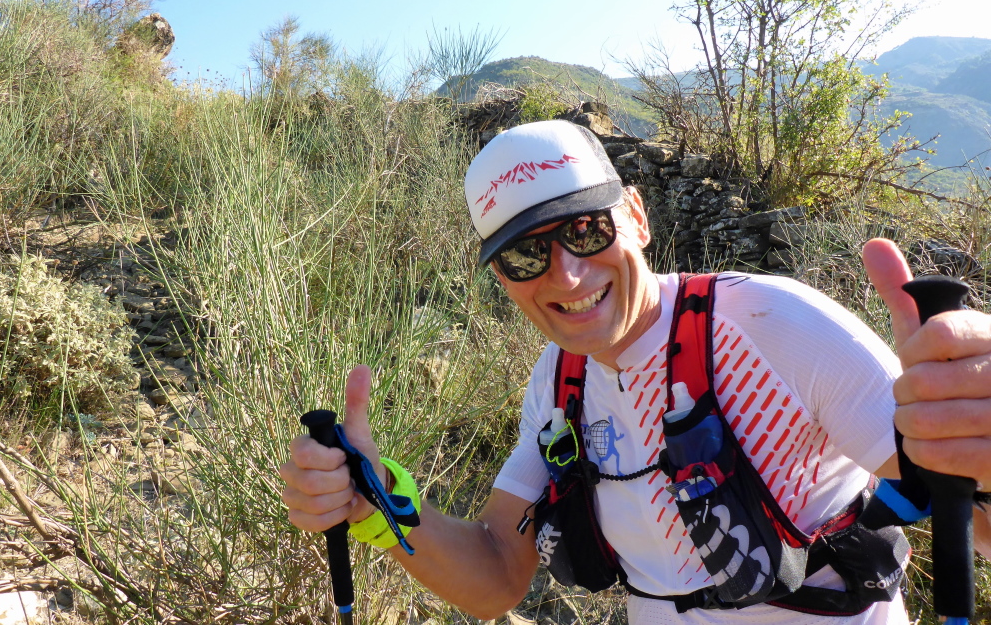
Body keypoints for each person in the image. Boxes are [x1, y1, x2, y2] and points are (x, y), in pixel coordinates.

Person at [280, 120, 991, 623]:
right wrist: (377, 504)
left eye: (585, 228)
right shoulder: (557, 384)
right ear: (504, 280)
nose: (567, 272)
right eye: (526, 255)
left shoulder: (775, 326)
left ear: (637, 217)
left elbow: (974, 509)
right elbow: (496, 574)